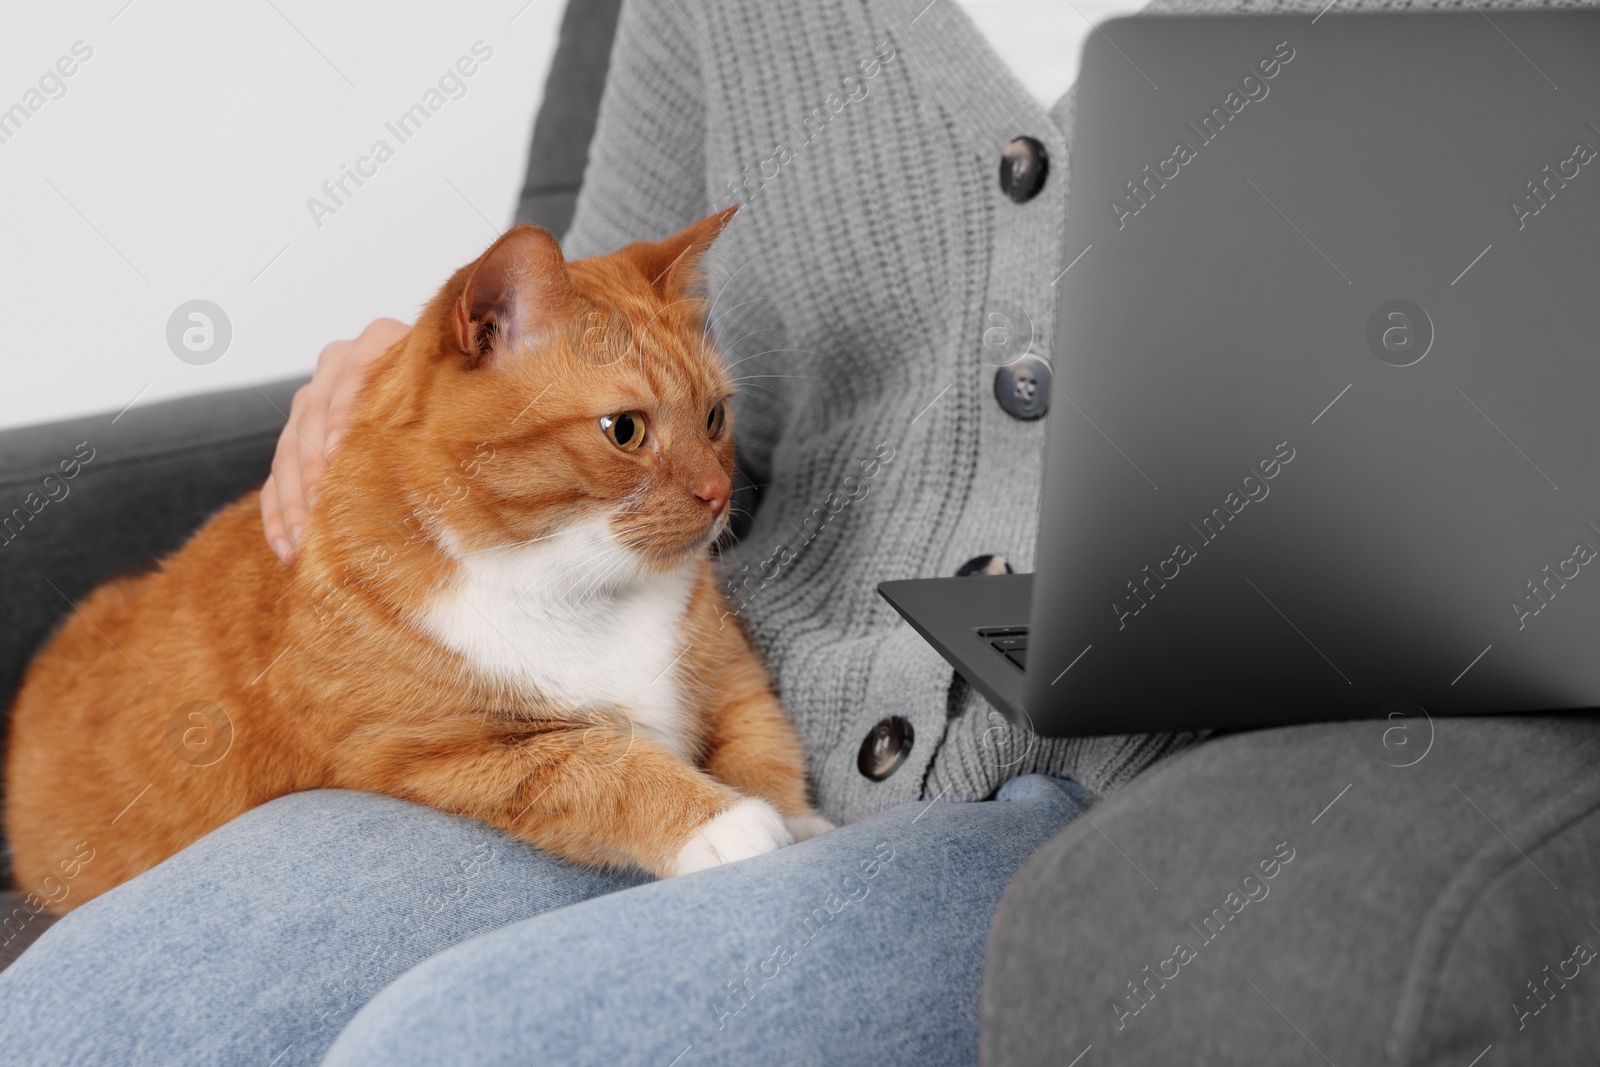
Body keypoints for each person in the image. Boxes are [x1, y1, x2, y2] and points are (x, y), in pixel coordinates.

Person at [3, 0, 1596, 1064]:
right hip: (700, 700)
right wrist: (418, 397)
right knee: (94, 1021)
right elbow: (622, 319)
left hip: (1125, 773)